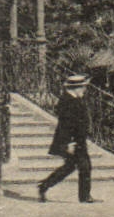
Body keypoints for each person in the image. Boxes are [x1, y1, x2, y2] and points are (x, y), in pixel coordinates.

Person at [39, 73, 96, 203]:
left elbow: (81, 122)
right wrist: (69, 143)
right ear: (75, 88)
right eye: (82, 87)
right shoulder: (67, 102)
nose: (84, 89)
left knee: (73, 166)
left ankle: (44, 186)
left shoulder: (76, 99)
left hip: (78, 140)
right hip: (71, 141)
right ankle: (84, 196)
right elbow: (66, 125)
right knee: (83, 166)